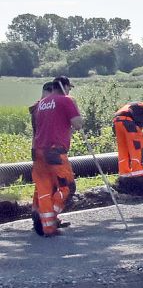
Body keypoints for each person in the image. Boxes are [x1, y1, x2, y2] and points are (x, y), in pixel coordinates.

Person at [31, 76, 83, 236]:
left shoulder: (41, 104)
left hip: (38, 151)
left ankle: (47, 227)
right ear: (65, 86)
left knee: (44, 190)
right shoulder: (65, 100)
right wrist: (76, 110)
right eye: (69, 88)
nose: (69, 91)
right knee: (67, 187)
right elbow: (78, 124)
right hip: (55, 152)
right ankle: (50, 218)